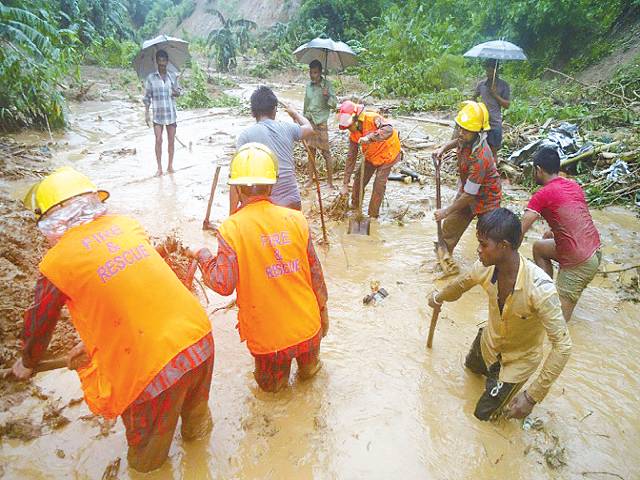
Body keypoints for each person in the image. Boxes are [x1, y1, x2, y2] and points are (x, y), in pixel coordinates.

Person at [12, 167, 213, 472]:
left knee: (147, 464)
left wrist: (27, 362)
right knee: (197, 427)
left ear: (52, 221)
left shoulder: (57, 262)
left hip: (153, 370)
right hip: (200, 339)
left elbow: (40, 323)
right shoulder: (127, 225)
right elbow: (134, 291)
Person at [192, 143, 329, 393]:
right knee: (310, 377)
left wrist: (201, 255)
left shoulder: (231, 229)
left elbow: (223, 285)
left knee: (272, 392)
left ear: (237, 188)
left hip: (269, 341)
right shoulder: (296, 219)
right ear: (272, 184)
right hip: (309, 328)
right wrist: (323, 313)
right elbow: (315, 273)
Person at [428, 208, 572, 421]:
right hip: (488, 343)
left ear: (504, 246)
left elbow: (563, 346)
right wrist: (438, 297)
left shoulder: (541, 290)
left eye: (483, 245)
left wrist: (532, 397)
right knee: (470, 371)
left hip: (517, 362)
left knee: (482, 418)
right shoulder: (484, 267)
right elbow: (460, 285)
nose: (478, 250)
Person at [521, 146, 602, 321]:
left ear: (538, 170)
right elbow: (576, 217)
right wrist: (553, 231)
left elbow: (521, 228)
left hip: (578, 262)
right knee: (540, 247)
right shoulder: (573, 186)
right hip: (594, 251)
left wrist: (505, 250)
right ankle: (547, 291)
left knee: (556, 322)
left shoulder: (542, 194)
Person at [433, 101, 502, 256]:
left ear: (477, 132)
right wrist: (443, 148)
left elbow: (470, 194)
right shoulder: (466, 137)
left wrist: (445, 211)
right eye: (460, 128)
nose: (461, 133)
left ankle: (490, 271)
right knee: (449, 229)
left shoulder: (480, 157)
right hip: (467, 192)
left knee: (488, 239)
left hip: (486, 199)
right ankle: (442, 260)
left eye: (466, 130)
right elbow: (458, 141)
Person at [234, 86, 314, 213]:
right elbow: (309, 128)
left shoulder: (245, 136)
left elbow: (237, 180)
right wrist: (295, 114)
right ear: (275, 110)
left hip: (266, 207)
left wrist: (233, 216)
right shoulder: (288, 127)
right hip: (292, 202)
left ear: (252, 112)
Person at [337, 100, 401, 218]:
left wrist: (370, 137)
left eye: (349, 126)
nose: (349, 129)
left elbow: (388, 129)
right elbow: (351, 158)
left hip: (388, 153)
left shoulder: (372, 118)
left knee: (378, 185)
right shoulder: (353, 135)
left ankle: (373, 216)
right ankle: (355, 207)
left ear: (356, 119)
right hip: (371, 155)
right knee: (359, 179)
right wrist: (345, 184)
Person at [143, 49, 182, 177]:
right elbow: (147, 97)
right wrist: (146, 113)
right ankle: (159, 168)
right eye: (159, 63)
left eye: (164, 63)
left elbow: (178, 92)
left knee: (171, 141)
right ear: (156, 62)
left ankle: (170, 165)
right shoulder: (151, 78)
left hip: (170, 114)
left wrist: (176, 91)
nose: (162, 65)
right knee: (158, 140)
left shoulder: (172, 76)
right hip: (158, 115)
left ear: (167, 62)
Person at [303, 59, 338, 189]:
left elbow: (334, 104)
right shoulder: (308, 86)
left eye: (315, 72)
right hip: (310, 121)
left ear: (320, 72)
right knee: (310, 152)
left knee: (326, 153)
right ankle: (310, 179)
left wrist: (327, 95)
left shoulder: (327, 85)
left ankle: (330, 182)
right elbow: (306, 104)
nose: (313, 75)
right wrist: (302, 119)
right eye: (311, 72)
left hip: (321, 123)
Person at [474, 59, 510, 158]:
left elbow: (507, 105)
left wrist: (495, 95)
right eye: (487, 70)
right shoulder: (481, 84)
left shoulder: (503, 85)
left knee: (493, 151)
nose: (489, 73)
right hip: (481, 123)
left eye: (491, 71)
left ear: (496, 71)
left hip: (494, 123)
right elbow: (473, 98)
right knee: (480, 150)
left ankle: (493, 171)